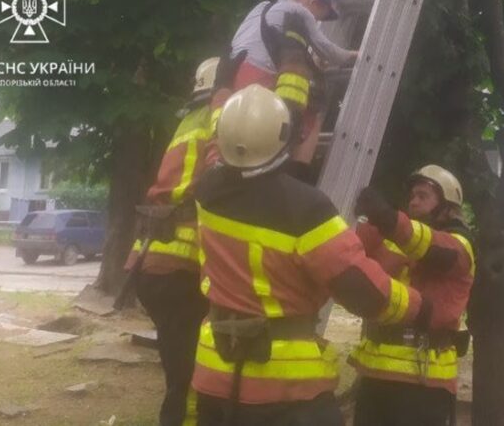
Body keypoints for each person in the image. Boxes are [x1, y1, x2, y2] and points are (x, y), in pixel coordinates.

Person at [191, 84, 431, 426]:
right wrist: (418, 307)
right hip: (285, 389)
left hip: (215, 371)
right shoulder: (306, 210)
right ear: (284, 138)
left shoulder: (207, 190)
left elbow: (236, 165)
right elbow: (363, 289)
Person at [124, 56, 241, 426]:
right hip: (179, 270)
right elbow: (226, 164)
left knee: (180, 369)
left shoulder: (187, 120)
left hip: (152, 264)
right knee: (189, 378)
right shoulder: (215, 116)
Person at [349, 165, 476, 426]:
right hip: (374, 373)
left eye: (423, 195)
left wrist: (387, 217)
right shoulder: (393, 237)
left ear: (447, 206)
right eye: (412, 196)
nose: (413, 201)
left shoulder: (459, 245)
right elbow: (346, 241)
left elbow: (429, 246)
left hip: (424, 379)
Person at [230, 0, 358, 91]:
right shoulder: (300, 11)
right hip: (258, 77)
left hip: (231, 75)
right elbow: (327, 51)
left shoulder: (261, 7)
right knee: (301, 96)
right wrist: (351, 55)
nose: (317, 22)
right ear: (315, 3)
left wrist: (312, 61)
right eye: (318, 17)